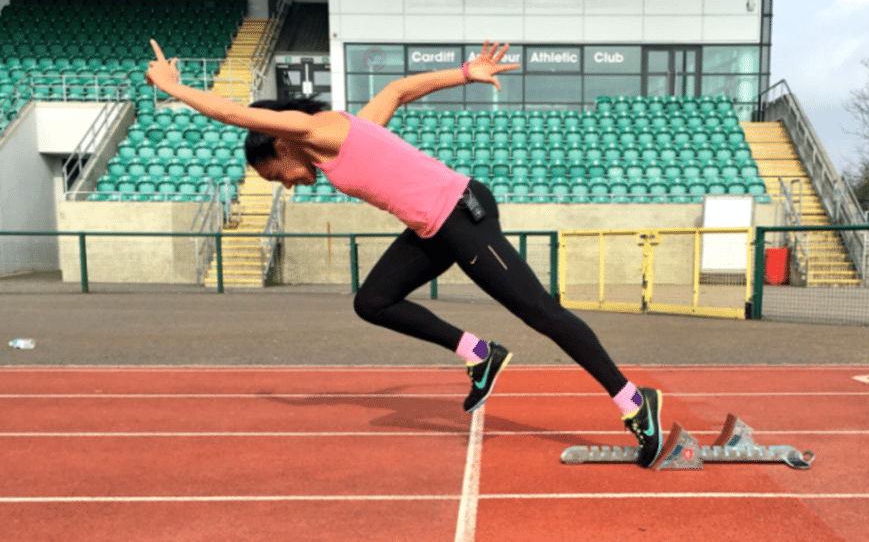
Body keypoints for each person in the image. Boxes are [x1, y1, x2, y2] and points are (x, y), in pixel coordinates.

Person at [145, 39, 666, 468]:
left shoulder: (315, 129)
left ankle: (634, 401)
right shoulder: (341, 136)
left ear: (280, 147)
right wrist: (466, 72)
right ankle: (480, 353)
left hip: (460, 214)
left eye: (274, 175)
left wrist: (174, 89)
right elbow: (396, 90)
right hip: (432, 228)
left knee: (540, 312)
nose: (285, 184)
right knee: (373, 300)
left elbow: (232, 113)